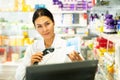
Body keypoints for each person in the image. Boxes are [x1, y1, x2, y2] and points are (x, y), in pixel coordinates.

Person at [15, 8, 84, 80]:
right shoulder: (33, 48)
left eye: (47, 24)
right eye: (39, 26)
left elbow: (85, 75)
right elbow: (18, 77)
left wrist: (80, 65)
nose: (44, 29)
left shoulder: (67, 46)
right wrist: (29, 63)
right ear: (35, 28)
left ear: (53, 22)